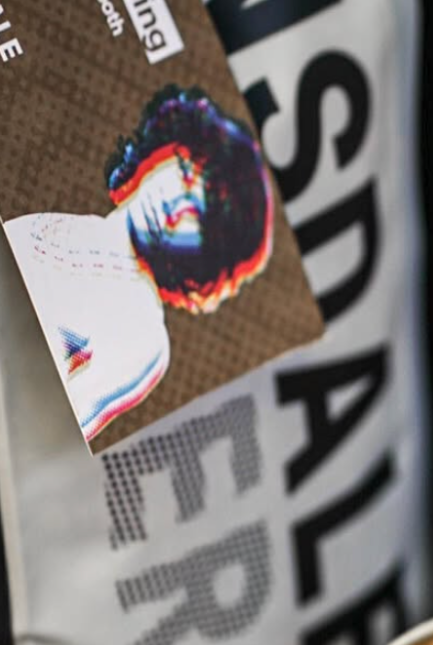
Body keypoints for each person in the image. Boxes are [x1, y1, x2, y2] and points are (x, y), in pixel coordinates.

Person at [4, 85, 273, 442]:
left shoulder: (144, 333)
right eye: (184, 170)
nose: (175, 204)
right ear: (160, 150)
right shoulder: (70, 228)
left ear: (209, 252)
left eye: (199, 212)